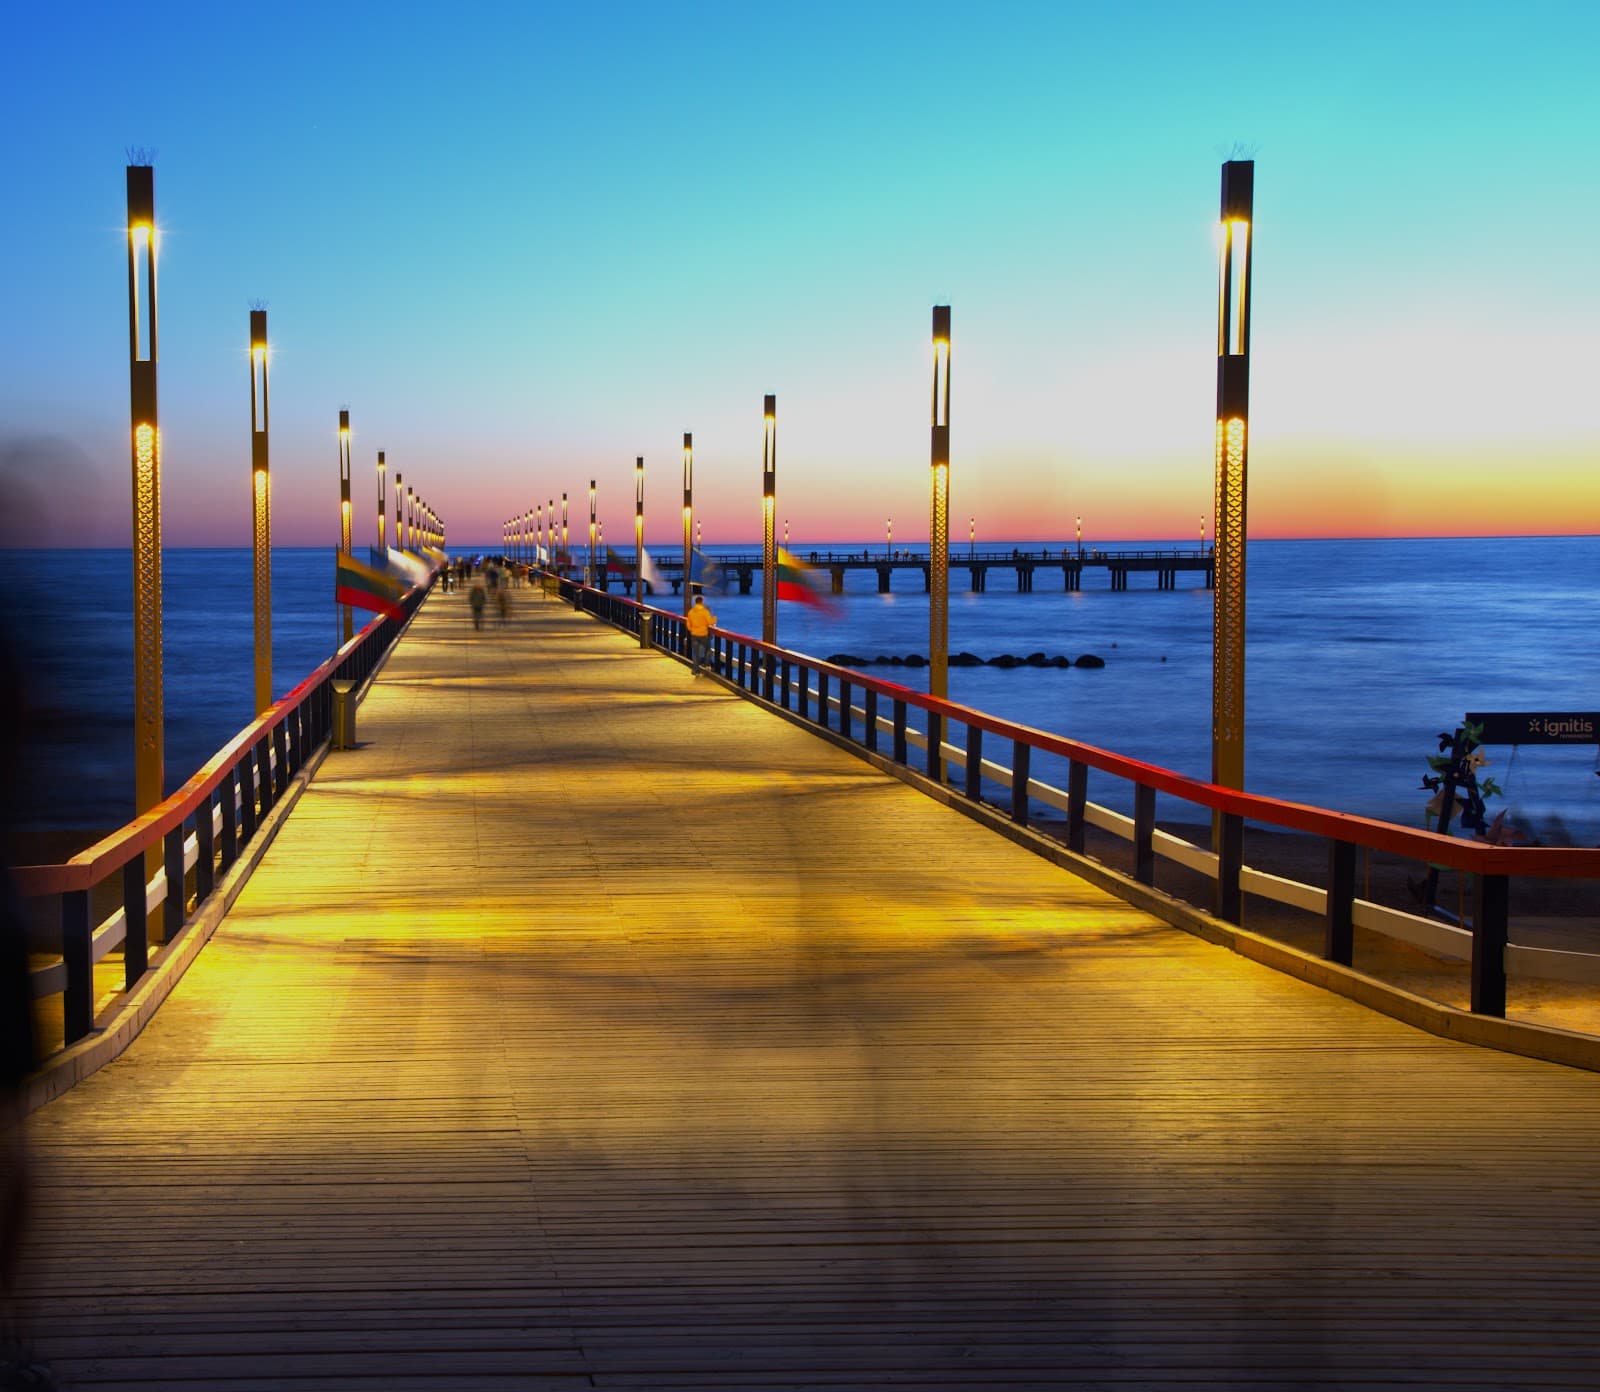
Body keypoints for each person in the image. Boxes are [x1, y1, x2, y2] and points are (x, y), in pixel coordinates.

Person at [684, 593, 717, 675]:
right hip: (703, 634)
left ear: (695, 602)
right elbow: (709, 622)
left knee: (695, 653)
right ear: (701, 602)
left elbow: (688, 624)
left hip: (694, 634)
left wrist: (692, 630)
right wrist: (714, 619)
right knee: (707, 649)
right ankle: (707, 665)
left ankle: (695, 670)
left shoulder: (691, 612)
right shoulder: (704, 611)